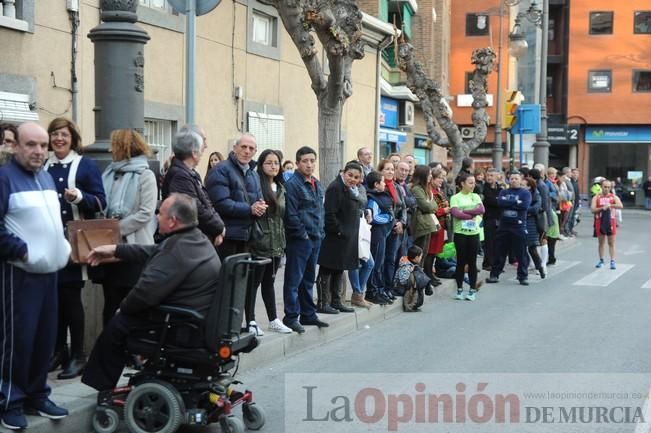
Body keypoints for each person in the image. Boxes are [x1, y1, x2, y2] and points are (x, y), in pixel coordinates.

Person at [81, 193, 222, 392]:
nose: (156, 216)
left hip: (180, 325)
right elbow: (154, 251)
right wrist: (115, 249)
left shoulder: (177, 248)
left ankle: (102, 388)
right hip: (195, 318)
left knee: (118, 325)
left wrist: (123, 309)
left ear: (173, 221)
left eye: (161, 213)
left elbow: (144, 293)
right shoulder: (195, 238)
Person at [0, 122, 71, 429]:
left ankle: (36, 395)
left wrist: (64, 245)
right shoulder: (3, 178)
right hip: (19, 276)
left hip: (49, 274)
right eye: (31, 145)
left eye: (43, 145)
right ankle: (9, 400)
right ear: (15, 146)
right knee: (17, 341)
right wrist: (23, 252)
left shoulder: (44, 176)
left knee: (44, 339)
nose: (39, 151)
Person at [44, 117, 106, 380]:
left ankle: (78, 355)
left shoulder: (85, 165)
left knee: (70, 299)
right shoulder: (43, 165)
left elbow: (102, 202)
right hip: (46, 243)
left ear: (72, 139)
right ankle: (58, 350)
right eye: (55, 134)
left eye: (64, 135)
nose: (59, 139)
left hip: (72, 244)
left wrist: (79, 197)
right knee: (53, 300)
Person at [101, 129, 157, 325]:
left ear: (124, 147)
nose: (110, 149)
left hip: (135, 247)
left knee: (131, 304)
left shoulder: (146, 174)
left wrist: (116, 229)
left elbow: (145, 213)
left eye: (113, 145)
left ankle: (130, 351)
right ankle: (110, 350)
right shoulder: (110, 173)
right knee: (110, 302)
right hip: (110, 249)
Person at [282, 146, 328, 333]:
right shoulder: (292, 184)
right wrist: (303, 235)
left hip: (316, 238)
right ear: (298, 163)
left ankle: (308, 314)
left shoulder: (316, 183)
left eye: (312, 160)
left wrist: (320, 233)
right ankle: (291, 317)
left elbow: (320, 210)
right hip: (300, 240)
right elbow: (291, 214)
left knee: (308, 279)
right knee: (294, 280)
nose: (309, 164)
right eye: (305, 161)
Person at [250, 150, 292, 334]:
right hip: (260, 243)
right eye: (269, 163)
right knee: (254, 284)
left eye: (276, 163)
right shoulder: (256, 185)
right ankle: (251, 321)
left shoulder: (281, 187)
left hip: (277, 243)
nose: (274, 166)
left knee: (269, 282)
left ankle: (273, 319)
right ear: (261, 165)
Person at [161, 126, 225, 246]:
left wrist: (218, 225)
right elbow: (195, 208)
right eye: (202, 144)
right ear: (194, 153)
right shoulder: (180, 175)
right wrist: (219, 227)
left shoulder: (190, 173)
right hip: (186, 242)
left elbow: (206, 202)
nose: (205, 147)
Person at [207, 134, 265, 259]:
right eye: (243, 147)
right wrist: (250, 209)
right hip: (226, 237)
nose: (247, 151)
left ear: (255, 152)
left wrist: (261, 207)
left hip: (248, 237)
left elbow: (259, 200)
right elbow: (221, 204)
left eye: (251, 148)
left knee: (243, 278)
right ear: (235, 148)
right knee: (226, 277)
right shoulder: (220, 170)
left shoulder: (254, 175)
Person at [316, 162, 363, 314]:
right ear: (343, 172)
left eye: (356, 177)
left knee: (339, 269)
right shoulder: (335, 188)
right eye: (350, 175)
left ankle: (336, 301)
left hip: (346, 238)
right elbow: (330, 214)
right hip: (335, 237)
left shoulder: (351, 189)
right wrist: (339, 231)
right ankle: (323, 303)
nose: (353, 179)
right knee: (327, 269)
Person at [486, 171, 532, 285]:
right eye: (511, 178)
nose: (514, 180)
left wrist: (509, 202)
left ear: (520, 180)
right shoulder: (504, 191)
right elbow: (500, 203)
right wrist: (516, 202)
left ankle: (522, 276)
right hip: (504, 226)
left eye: (516, 178)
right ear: (509, 180)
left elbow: (524, 206)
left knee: (521, 253)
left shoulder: (525, 193)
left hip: (519, 226)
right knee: (499, 252)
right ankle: (494, 275)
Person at [449, 172, 484, 301]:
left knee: (472, 262)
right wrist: (471, 214)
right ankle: (459, 289)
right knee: (460, 262)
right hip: (460, 233)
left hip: (473, 234)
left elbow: (481, 210)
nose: (473, 185)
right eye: (470, 182)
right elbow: (455, 213)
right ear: (462, 184)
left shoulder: (475, 196)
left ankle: (472, 290)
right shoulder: (455, 198)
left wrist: (465, 212)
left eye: (474, 182)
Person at [364, 170, 395, 305]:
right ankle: (372, 292)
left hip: (382, 234)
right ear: (376, 184)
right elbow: (374, 217)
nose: (384, 184)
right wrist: (388, 218)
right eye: (382, 182)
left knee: (380, 264)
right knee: (375, 265)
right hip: (376, 235)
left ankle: (379, 290)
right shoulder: (372, 198)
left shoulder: (380, 195)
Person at [379, 159, 407, 298]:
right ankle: (380, 288)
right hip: (383, 229)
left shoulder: (397, 188)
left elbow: (403, 208)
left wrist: (402, 222)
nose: (390, 172)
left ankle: (389, 287)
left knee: (391, 258)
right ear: (381, 172)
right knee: (381, 260)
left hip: (396, 229)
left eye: (391, 169)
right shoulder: (379, 187)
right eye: (387, 169)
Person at [409, 165, 439, 267]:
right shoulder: (416, 189)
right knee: (418, 254)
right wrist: (431, 207)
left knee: (424, 253)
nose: (431, 176)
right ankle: (416, 278)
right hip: (420, 225)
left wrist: (432, 206)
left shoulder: (426, 188)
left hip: (427, 225)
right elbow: (427, 206)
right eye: (429, 174)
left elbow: (435, 205)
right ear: (423, 175)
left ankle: (420, 278)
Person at [591, 180, 623, 269]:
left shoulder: (613, 197)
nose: (607, 189)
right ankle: (601, 260)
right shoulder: (596, 197)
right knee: (601, 243)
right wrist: (602, 208)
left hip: (611, 221)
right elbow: (593, 210)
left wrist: (610, 205)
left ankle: (612, 261)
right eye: (605, 187)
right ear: (601, 187)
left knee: (611, 243)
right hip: (600, 221)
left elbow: (620, 205)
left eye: (609, 187)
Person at [424, 167, 448, 283]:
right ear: (432, 179)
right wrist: (445, 210)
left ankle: (431, 275)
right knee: (430, 252)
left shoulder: (438, 191)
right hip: (434, 224)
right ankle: (428, 276)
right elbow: (433, 210)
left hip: (441, 225)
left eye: (442, 178)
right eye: (438, 178)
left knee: (434, 252)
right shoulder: (430, 191)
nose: (441, 180)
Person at [393, 245, 433, 312]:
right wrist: (414, 280)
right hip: (399, 287)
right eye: (420, 256)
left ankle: (427, 287)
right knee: (416, 281)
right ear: (416, 258)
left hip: (405, 286)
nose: (421, 258)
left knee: (418, 275)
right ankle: (411, 305)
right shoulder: (406, 266)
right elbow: (403, 281)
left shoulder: (412, 265)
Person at [524, 177, 546, 279]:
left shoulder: (536, 194)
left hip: (532, 223)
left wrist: (522, 208)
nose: (521, 186)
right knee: (521, 249)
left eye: (523, 185)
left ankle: (540, 268)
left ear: (529, 186)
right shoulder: (519, 194)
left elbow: (535, 209)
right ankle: (523, 272)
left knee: (532, 248)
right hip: (521, 221)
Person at [481, 168, 502, 271]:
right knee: (489, 242)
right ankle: (488, 263)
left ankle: (496, 264)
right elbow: (492, 201)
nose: (489, 177)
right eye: (488, 175)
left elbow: (502, 200)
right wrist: (499, 200)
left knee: (498, 242)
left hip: (499, 219)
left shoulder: (500, 188)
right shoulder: (484, 188)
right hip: (489, 218)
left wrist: (499, 200)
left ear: (497, 176)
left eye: (491, 175)